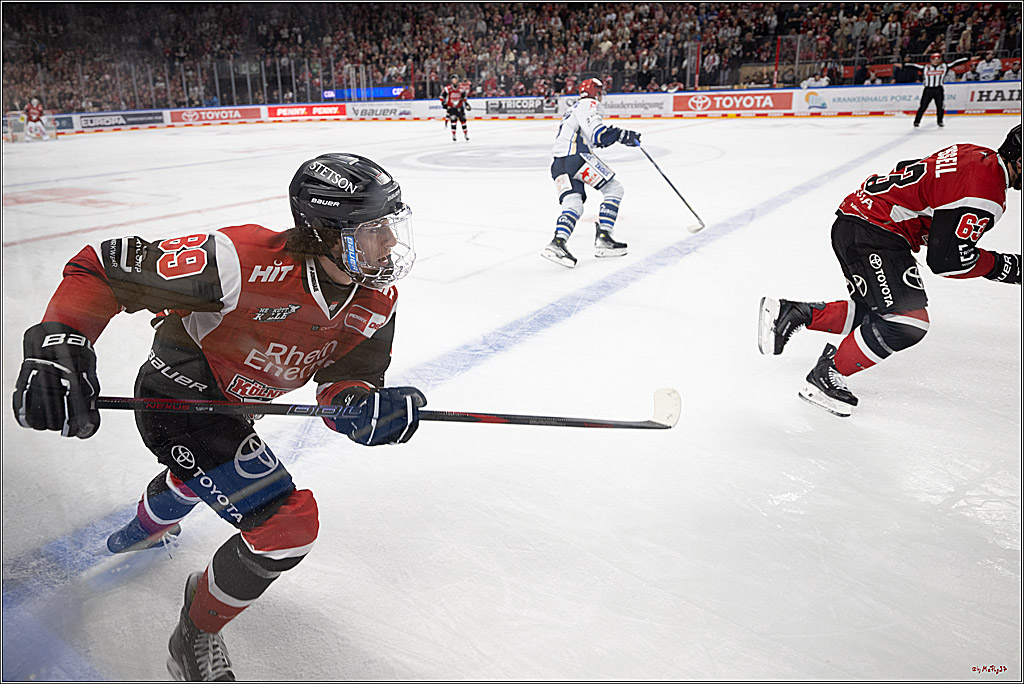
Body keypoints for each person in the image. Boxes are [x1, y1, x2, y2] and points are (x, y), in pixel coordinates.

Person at [12, 153, 426, 680]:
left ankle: (144, 528)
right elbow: (102, 266)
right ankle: (195, 634)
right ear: (326, 231)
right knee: (287, 526)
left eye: (390, 224)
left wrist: (361, 408)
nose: (389, 242)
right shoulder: (240, 260)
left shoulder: (377, 297)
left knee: (197, 477)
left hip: (235, 409)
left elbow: (343, 381)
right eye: (373, 228)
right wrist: (58, 340)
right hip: (179, 400)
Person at [758, 125, 1021, 417]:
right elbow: (949, 261)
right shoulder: (985, 193)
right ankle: (825, 376)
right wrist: (1009, 267)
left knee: (878, 313)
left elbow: (908, 169)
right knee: (908, 323)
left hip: (854, 220)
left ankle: (792, 313)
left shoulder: (973, 152)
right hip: (875, 233)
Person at [541, 77, 641, 268]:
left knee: (574, 203)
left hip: (558, 163)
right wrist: (623, 135)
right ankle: (604, 237)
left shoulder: (574, 108)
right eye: (600, 91)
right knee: (614, 189)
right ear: (596, 91)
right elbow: (599, 134)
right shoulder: (589, 104)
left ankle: (558, 243)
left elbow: (593, 140)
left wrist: (620, 136)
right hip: (576, 158)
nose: (602, 95)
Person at [905, 52, 972, 127]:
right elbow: (914, 66)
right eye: (934, 59)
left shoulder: (944, 66)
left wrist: (967, 59)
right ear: (931, 60)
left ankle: (940, 121)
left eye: (937, 59)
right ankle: (917, 121)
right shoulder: (926, 67)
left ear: (940, 59)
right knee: (923, 106)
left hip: (938, 89)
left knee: (940, 106)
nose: (936, 61)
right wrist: (903, 64)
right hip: (928, 89)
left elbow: (955, 63)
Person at [439, 74, 471, 141]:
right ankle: (454, 135)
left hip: (460, 107)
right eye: (453, 79)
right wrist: (444, 103)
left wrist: (466, 104)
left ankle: (465, 134)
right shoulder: (448, 88)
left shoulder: (461, 88)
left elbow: (464, 97)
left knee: (463, 121)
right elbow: (441, 97)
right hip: (452, 108)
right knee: (453, 122)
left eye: (455, 79)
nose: (454, 81)